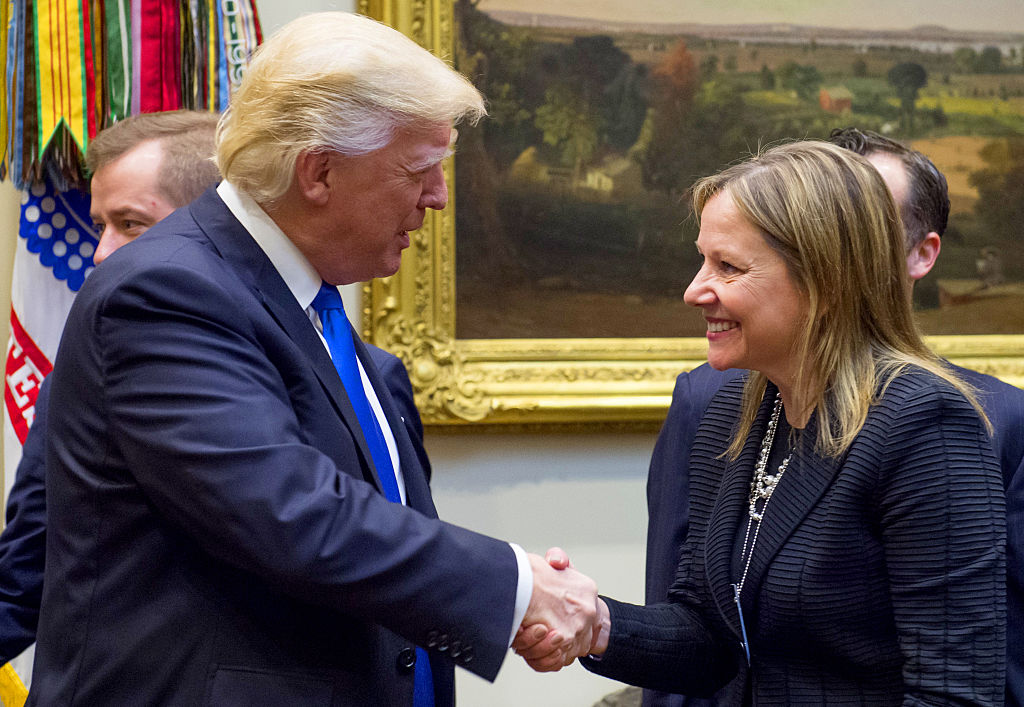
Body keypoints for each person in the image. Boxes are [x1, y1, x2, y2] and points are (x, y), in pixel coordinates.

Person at [27, 14, 597, 707]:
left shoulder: (305, 305)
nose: (440, 197)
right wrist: (519, 589)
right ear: (319, 171)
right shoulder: (167, 291)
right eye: (419, 169)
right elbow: (288, 511)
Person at [517, 141, 1006, 705]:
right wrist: (596, 623)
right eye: (703, 260)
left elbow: (954, 693)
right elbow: (709, 638)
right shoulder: (734, 408)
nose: (694, 290)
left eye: (728, 267)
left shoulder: (926, 426)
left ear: (826, 281)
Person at [0, 109, 430, 668]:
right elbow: (27, 578)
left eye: (130, 223)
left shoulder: (378, 376)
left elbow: (404, 552)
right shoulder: (92, 376)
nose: (101, 252)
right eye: (100, 224)